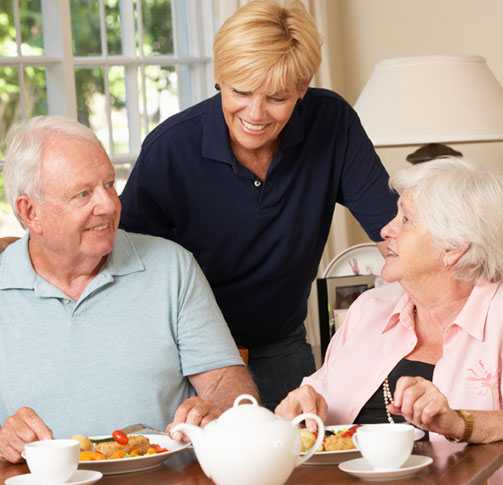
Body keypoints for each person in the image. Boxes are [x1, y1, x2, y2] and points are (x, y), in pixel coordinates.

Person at [118, 0, 397, 410]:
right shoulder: (170, 150)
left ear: (303, 87)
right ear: (219, 75)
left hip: (283, 347)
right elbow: (126, 269)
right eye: (240, 91)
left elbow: (396, 233)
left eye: (277, 98)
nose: (255, 114)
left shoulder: (332, 123)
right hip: (190, 363)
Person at [0, 115, 258, 464]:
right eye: (83, 194)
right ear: (31, 213)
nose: (108, 205)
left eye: (109, 184)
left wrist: (219, 410)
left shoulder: (172, 266)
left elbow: (225, 381)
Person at [276, 157, 503, 446]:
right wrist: (302, 402)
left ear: (453, 247)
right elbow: (316, 393)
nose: (385, 231)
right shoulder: (369, 308)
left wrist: (460, 422)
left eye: (405, 220)